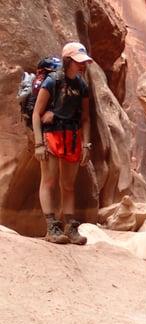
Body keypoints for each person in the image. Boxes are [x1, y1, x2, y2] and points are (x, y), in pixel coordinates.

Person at [32, 42, 93, 245]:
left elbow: (85, 118)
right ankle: (52, 227)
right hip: (51, 136)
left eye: (83, 62)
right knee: (48, 182)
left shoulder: (82, 85)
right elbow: (36, 114)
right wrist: (38, 143)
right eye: (78, 62)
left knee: (68, 186)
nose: (82, 65)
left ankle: (70, 227)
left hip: (72, 137)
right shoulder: (52, 81)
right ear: (68, 61)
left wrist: (86, 144)